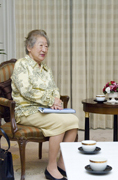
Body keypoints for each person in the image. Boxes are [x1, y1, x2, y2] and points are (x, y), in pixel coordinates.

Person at [11, 29, 79, 180]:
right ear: (29, 47)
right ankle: (51, 167)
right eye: (41, 45)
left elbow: (54, 89)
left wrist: (57, 101)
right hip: (27, 111)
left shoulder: (46, 69)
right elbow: (26, 91)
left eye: (46, 46)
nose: (44, 49)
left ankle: (62, 163)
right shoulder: (22, 65)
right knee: (59, 123)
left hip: (44, 110)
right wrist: (50, 101)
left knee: (73, 121)